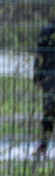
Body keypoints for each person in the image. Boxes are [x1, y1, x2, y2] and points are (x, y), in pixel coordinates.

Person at [36, 17, 55, 159]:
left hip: (49, 79)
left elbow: (39, 56)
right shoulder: (47, 31)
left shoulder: (47, 31)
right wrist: (38, 78)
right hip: (50, 78)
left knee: (48, 113)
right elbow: (40, 56)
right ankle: (43, 145)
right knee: (48, 113)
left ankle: (43, 145)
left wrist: (38, 78)